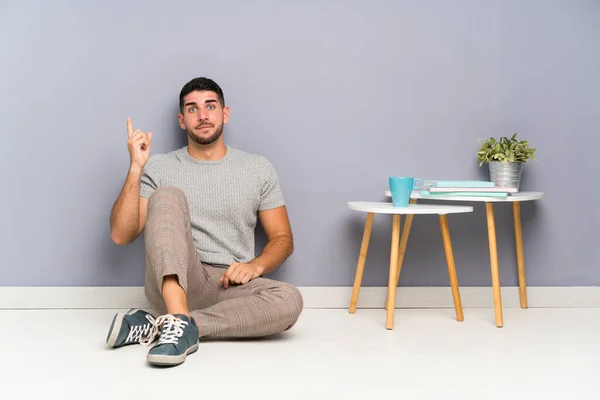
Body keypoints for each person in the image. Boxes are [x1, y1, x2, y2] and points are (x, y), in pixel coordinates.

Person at [106, 77, 303, 367]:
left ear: (225, 113)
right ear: (182, 120)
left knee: (289, 300)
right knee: (168, 195)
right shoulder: (160, 166)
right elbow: (121, 235)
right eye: (192, 109)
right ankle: (175, 311)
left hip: (230, 289)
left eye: (210, 106)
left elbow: (283, 238)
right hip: (177, 281)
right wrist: (136, 167)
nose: (203, 115)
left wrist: (254, 266)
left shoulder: (257, 168)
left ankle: (169, 325)